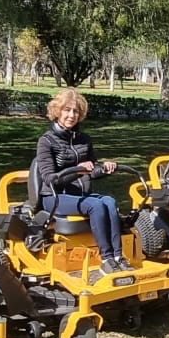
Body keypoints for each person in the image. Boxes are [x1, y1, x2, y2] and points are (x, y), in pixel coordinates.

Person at [35, 88, 128, 273]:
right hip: (53, 197)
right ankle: (106, 259)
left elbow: (92, 170)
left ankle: (118, 256)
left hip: (78, 194)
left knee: (109, 201)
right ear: (57, 111)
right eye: (67, 110)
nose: (71, 115)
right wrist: (78, 170)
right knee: (96, 205)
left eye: (76, 111)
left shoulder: (84, 140)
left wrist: (105, 168)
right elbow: (50, 179)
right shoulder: (46, 141)